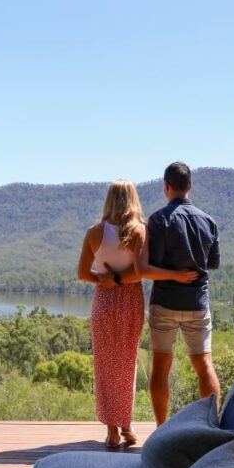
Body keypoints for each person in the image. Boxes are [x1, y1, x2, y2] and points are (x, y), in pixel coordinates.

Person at [77, 180, 198, 448]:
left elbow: (83, 274)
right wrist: (123, 280)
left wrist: (105, 280)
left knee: (105, 365)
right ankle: (126, 425)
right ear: (133, 200)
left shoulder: (94, 233)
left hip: (104, 301)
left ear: (108, 199)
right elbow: (141, 271)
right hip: (130, 300)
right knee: (126, 363)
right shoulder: (139, 231)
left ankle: (112, 430)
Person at [146, 162, 221, 426]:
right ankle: (211, 427)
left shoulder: (156, 220)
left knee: (161, 366)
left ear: (166, 186)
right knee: (204, 365)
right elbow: (212, 263)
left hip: (164, 302)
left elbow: (149, 265)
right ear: (190, 186)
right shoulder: (208, 221)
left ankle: (160, 428)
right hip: (197, 303)